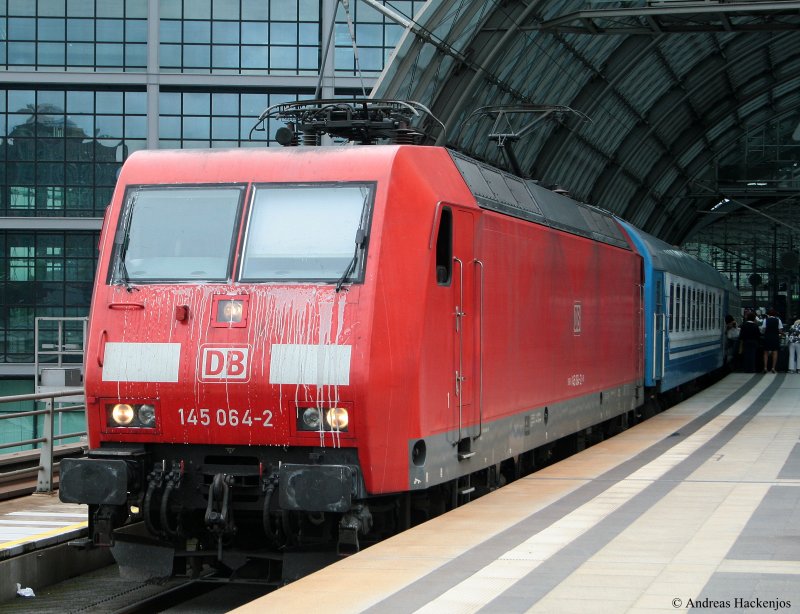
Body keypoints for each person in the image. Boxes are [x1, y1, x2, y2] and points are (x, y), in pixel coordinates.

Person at [760, 308, 783, 373]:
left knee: (766, 352)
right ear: (775, 314)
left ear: (768, 314)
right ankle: (773, 368)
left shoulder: (765, 320)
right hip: (775, 337)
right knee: (775, 352)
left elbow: (763, 329)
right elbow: (780, 330)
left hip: (767, 337)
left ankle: (765, 367)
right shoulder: (778, 320)